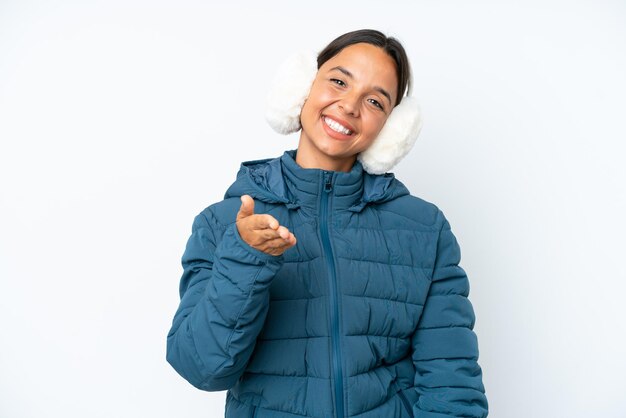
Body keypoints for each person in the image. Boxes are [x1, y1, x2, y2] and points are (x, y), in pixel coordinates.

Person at [166, 29, 489, 418]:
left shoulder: (425, 229)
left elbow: (454, 389)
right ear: (301, 88)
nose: (350, 106)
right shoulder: (223, 224)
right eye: (338, 81)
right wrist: (245, 258)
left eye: (374, 100)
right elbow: (203, 368)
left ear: (391, 128)